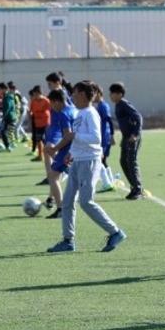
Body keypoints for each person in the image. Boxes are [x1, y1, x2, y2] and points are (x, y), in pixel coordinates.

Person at [46, 81, 126, 254]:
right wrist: (71, 153)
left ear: (82, 94)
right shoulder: (80, 113)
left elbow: (96, 139)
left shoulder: (91, 113)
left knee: (86, 202)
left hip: (89, 162)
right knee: (67, 202)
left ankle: (115, 232)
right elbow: (77, 139)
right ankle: (68, 241)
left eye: (74, 93)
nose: (72, 96)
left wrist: (75, 136)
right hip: (77, 161)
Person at [43, 88, 75, 218]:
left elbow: (68, 135)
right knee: (58, 174)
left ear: (57, 101)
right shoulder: (73, 109)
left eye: (51, 103)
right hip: (75, 148)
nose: (51, 106)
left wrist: (55, 148)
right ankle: (59, 204)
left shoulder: (63, 114)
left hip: (67, 149)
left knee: (52, 176)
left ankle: (61, 209)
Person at [110, 82, 144, 200]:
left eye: (113, 93)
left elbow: (138, 117)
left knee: (131, 161)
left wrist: (135, 134)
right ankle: (134, 187)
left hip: (132, 138)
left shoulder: (124, 104)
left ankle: (138, 189)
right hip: (126, 137)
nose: (110, 96)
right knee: (123, 161)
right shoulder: (118, 105)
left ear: (120, 94)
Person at [93, 84, 117, 193]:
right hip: (103, 136)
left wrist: (112, 135)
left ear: (98, 93)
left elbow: (109, 121)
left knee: (100, 160)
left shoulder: (103, 106)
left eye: (94, 93)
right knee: (102, 160)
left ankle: (107, 183)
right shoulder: (99, 106)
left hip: (104, 137)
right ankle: (110, 181)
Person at [28, 86, 51, 163]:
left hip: (46, 123)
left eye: (35, 94)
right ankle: (40, 156)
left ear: (39, 93)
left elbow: (51, 111)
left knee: (46, 140)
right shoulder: (33, 101)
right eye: (34, 94)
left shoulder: (46, 101)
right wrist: (30, 120)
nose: (34, 96)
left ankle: (50, 155)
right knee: (38, 140)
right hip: (37, 123)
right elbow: (31, 112)